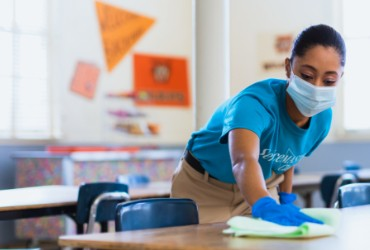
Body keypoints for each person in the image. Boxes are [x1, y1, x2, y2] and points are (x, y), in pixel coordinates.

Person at [170, 24, 346, 226]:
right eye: (307, 76)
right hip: (204, 189)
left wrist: (286, 198)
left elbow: (289, 157)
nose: (316, 87)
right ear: (288, 67)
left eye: (329, 80)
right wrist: (264, 205)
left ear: (340, 78)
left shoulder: (322, 118)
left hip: (261, 186)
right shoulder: (253, 104)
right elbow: (243, 160)